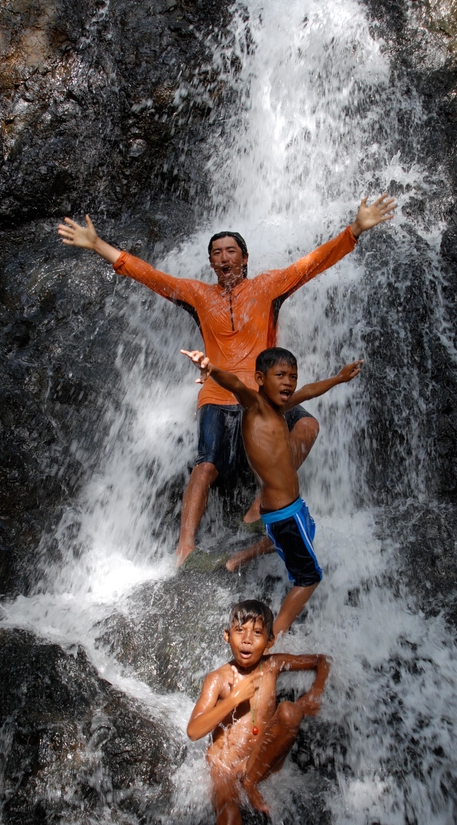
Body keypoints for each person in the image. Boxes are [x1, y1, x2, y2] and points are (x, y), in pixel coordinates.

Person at [57, 195, 395, 566]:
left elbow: (312, 263)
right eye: (216, 252)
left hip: (262, 394)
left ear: (245, 258)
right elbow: (151, 276)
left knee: (308, 426)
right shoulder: (198, 295)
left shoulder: (269, 286)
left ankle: (259, 506)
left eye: (231, 251)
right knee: (206, 465)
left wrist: (356, 229)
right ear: (210, 262)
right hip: (217, 392)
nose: (224, 258)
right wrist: (97, 245)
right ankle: (185, 549)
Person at [182, 346, 362, 636]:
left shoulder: (281, 408)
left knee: (301, 534)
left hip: (287, 508)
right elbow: (236, 385)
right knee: (309, 578)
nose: (289, 382)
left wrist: (339, 379)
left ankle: (237, 559)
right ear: (260, 378)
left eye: (292, 375)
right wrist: (211, 368)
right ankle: (271, 640)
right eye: (280, 375)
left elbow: (309, 391)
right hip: (284, 512)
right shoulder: (255, 405)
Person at [187, 599, 330, 825]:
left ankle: (252, 783)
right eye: (240, 631)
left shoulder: (274, 665)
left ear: (270, 641)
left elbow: (322, 660)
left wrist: (316, 691)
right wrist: (235, 699)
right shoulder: (218, 679)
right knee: (230, 816)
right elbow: (194, 731)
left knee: (290, 713)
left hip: (257, 763)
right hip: (224, 765)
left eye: (257, 633)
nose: (248, 640)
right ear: (226, 636)